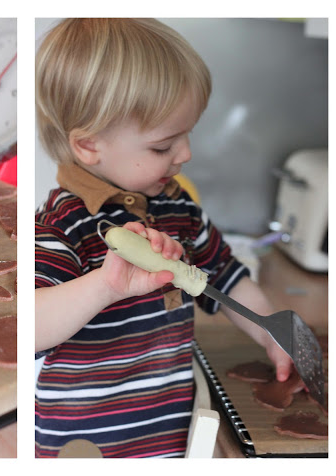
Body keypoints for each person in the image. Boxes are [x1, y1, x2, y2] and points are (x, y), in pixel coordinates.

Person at [34, 18, 293, 458]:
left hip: (170, 436)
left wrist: (270, 332)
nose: (186, 154)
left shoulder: (180, 210)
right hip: (82, 446)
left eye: (187, 134)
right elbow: (29, 328)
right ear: (89, 145)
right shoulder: (64, 223)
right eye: (163, 146)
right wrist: (105, 285)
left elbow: (227, 279)